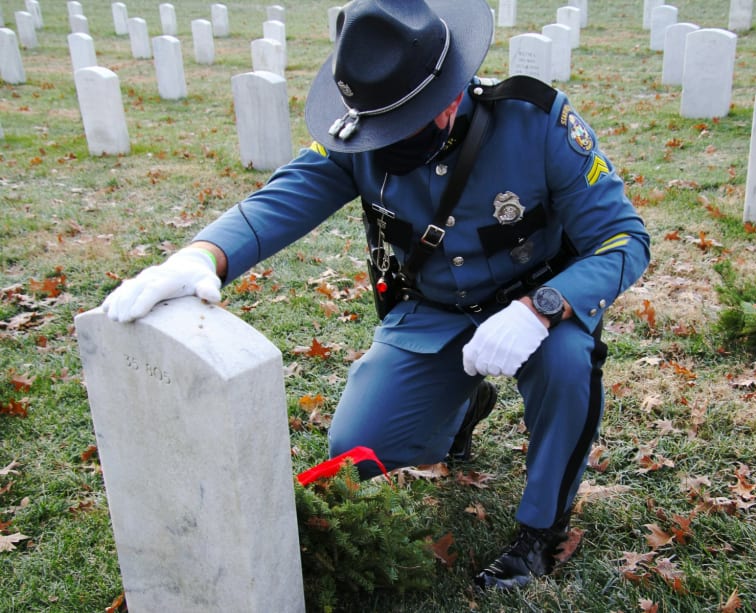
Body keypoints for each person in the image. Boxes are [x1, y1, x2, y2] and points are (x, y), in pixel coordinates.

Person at [101, 0, 650, 591]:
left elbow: (625, 240)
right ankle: (464, 403)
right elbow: (282, 198)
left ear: (444, 105)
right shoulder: (361, 129)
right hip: (435, 312)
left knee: (568, 364)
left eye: (396, 127)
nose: (375, 141)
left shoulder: (536, 123)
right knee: (359, 446)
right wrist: (202, 256)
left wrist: (541, 309)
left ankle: (539, 532)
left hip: (537, 306)